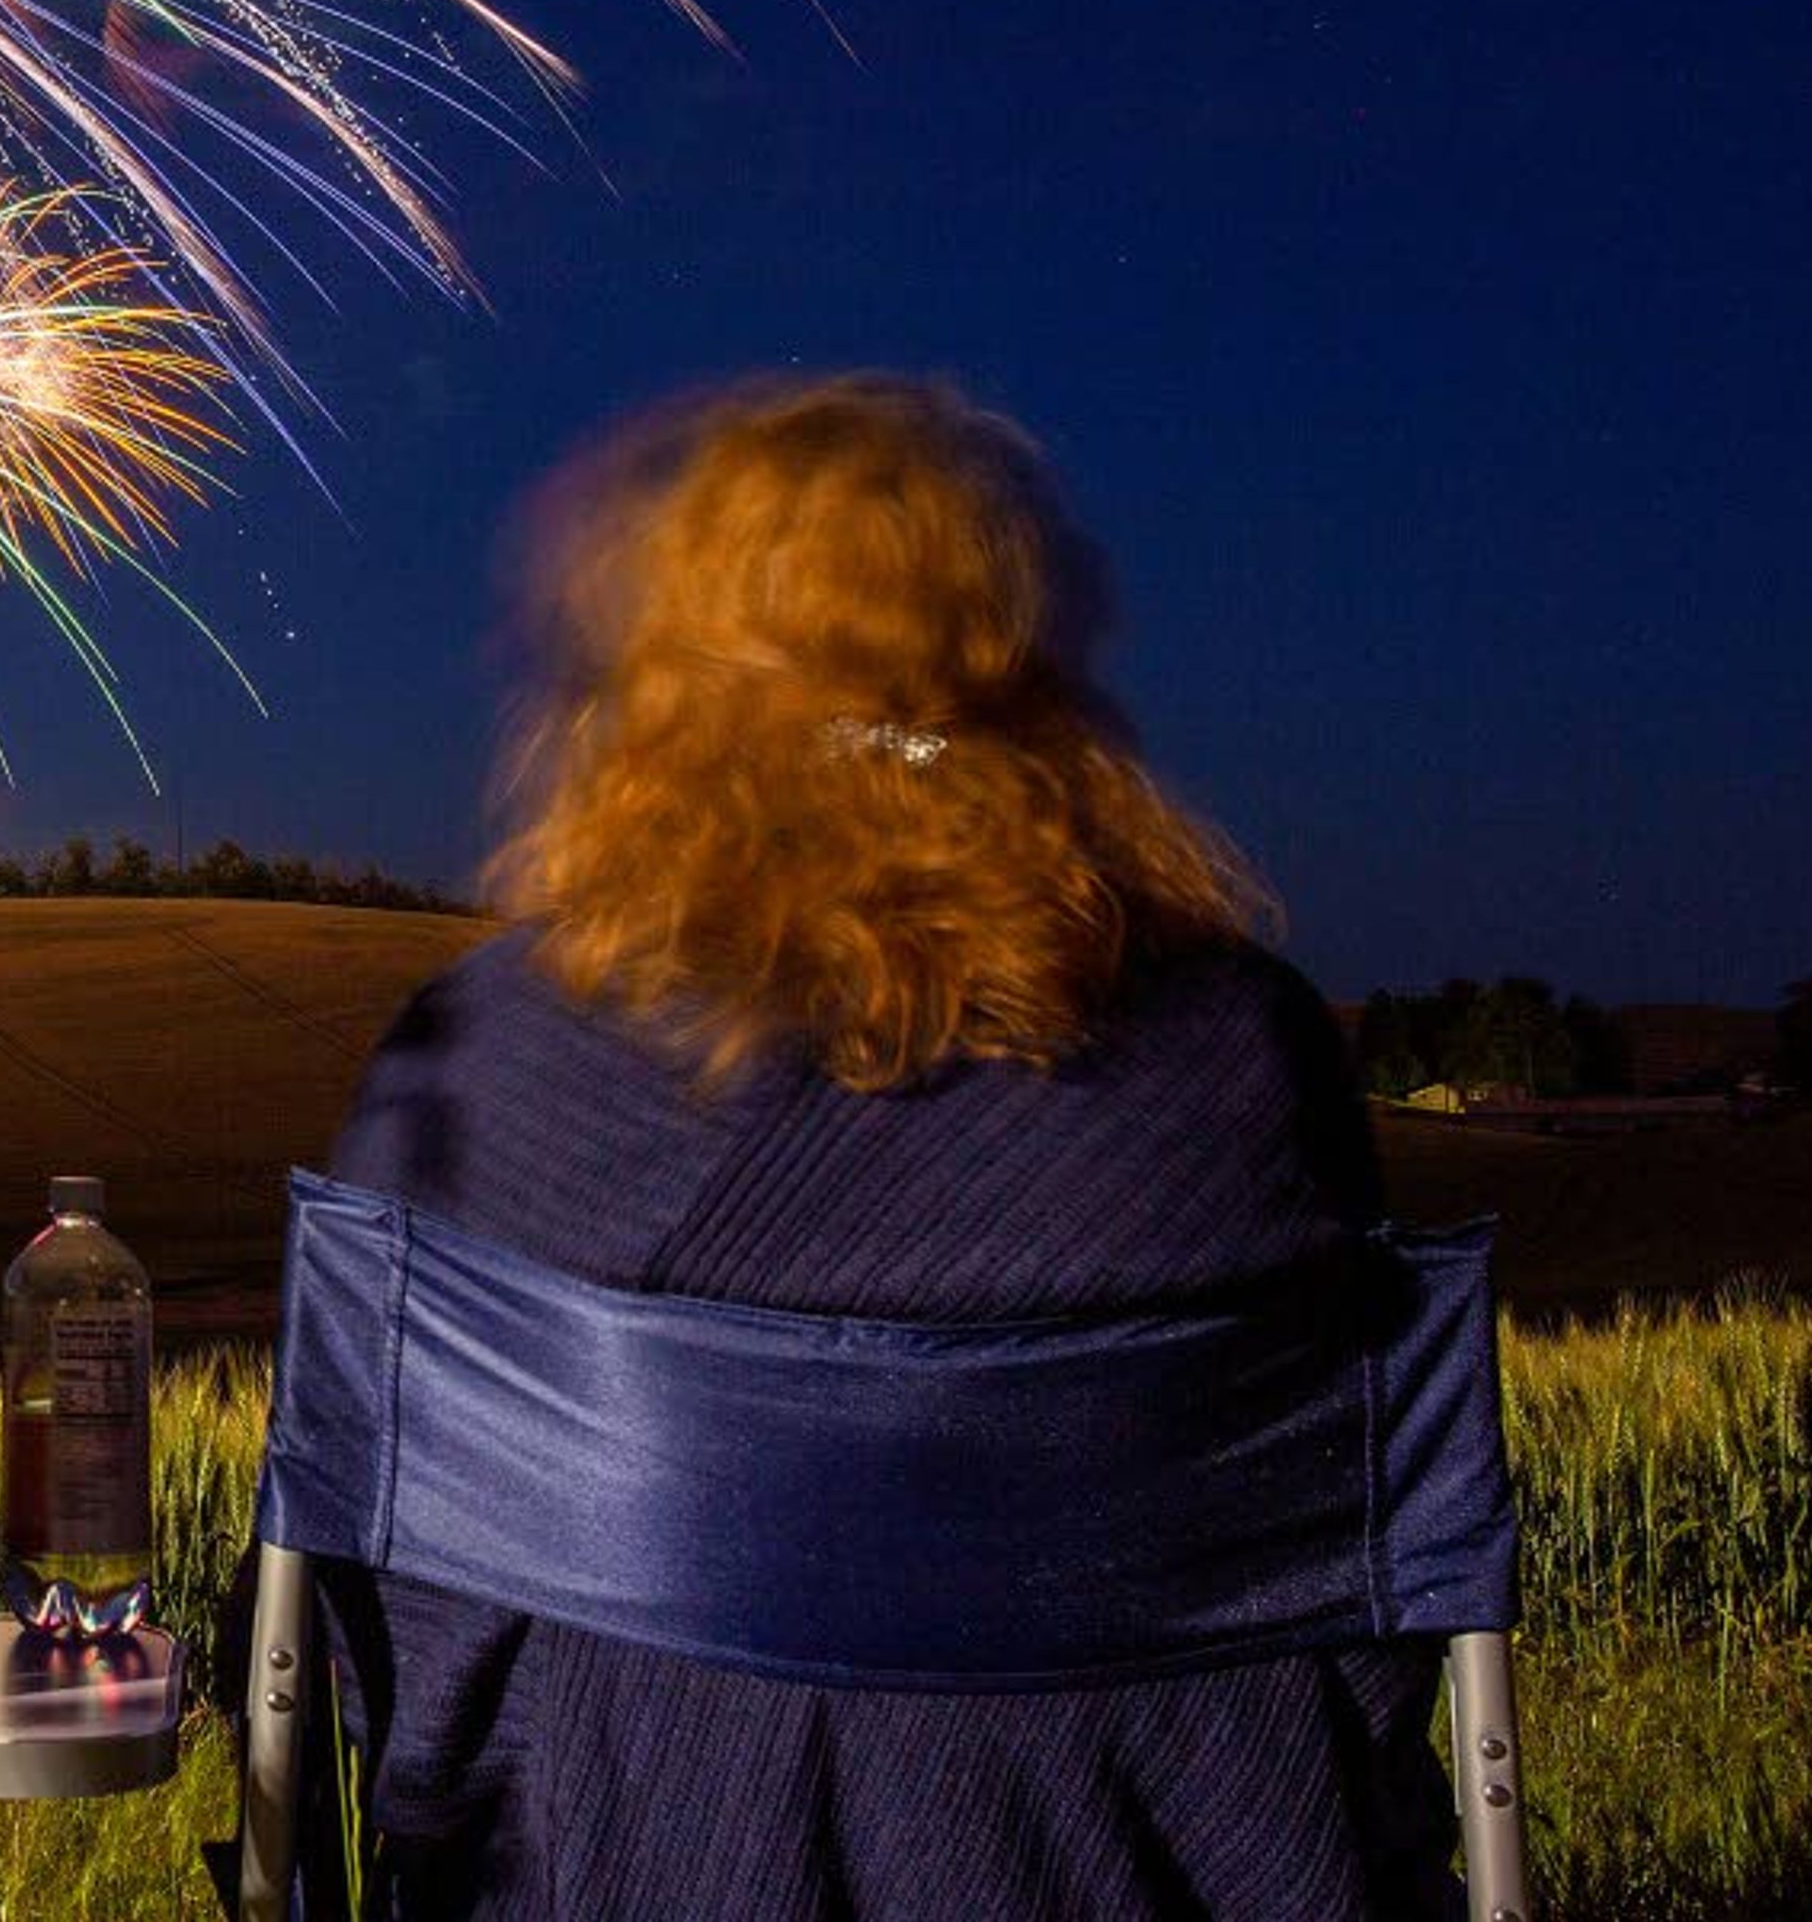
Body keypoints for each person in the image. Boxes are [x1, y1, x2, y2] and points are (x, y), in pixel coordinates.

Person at [318, 378, 1453, 1920]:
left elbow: (386, 1655)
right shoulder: (1242, 1057)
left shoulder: (495, 1056)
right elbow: (1363, 1661)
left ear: (674, 668)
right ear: (1014, 651)